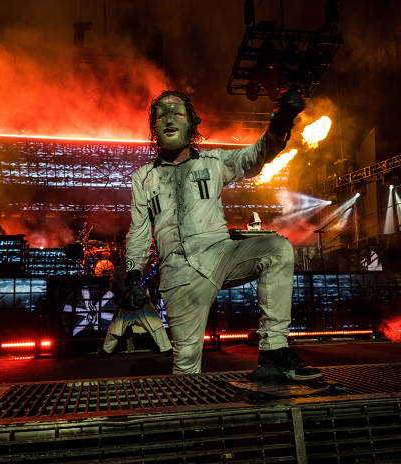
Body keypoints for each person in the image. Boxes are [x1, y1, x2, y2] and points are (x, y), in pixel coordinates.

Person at [124, 89, 321, 380]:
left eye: (177, 112)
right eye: (161, 114)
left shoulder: (213, 162)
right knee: (186, 365)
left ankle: (273, 351)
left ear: (192, 124)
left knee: (277, 249)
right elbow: (138, 229)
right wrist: (132, 275)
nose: (168, 118)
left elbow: (256, 156)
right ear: (154, 128)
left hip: (220, 255)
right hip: (178, 275)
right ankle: (189, 419)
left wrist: (282, 122)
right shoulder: (143, 178)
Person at [102, 265, 172, 355]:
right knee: (116, 328)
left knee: (156, 325)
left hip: (141, 303)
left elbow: (151, 282)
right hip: (127, 303)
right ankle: (107, 350)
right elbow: (113, 285)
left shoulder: (143, 268)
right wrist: (120, 296)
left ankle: (166, 347)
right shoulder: (121, 270)